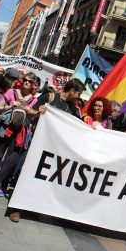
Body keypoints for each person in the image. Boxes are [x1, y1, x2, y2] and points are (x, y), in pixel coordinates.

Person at [9, 78, 85, 223]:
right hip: (38, 142)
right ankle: (16, 208)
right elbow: (30, 113)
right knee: (27, 174)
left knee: (41, 177)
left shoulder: (71, 106)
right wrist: (38, 112)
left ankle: (31, 207)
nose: (79, 97)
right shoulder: (50, 97)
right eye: (78, 94)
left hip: (53, 148)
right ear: (72, 91)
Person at [0, 72, 39, 197]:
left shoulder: (34, 100)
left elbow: (32, 117)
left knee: (11, 160)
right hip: (6, 127)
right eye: (26, 80)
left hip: (20, 131)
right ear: (22, 81)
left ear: (34, 85)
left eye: (31, 81)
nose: (27, 83)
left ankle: (1, 185)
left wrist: (36, 112)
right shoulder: (12, 92)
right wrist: (11, 106)